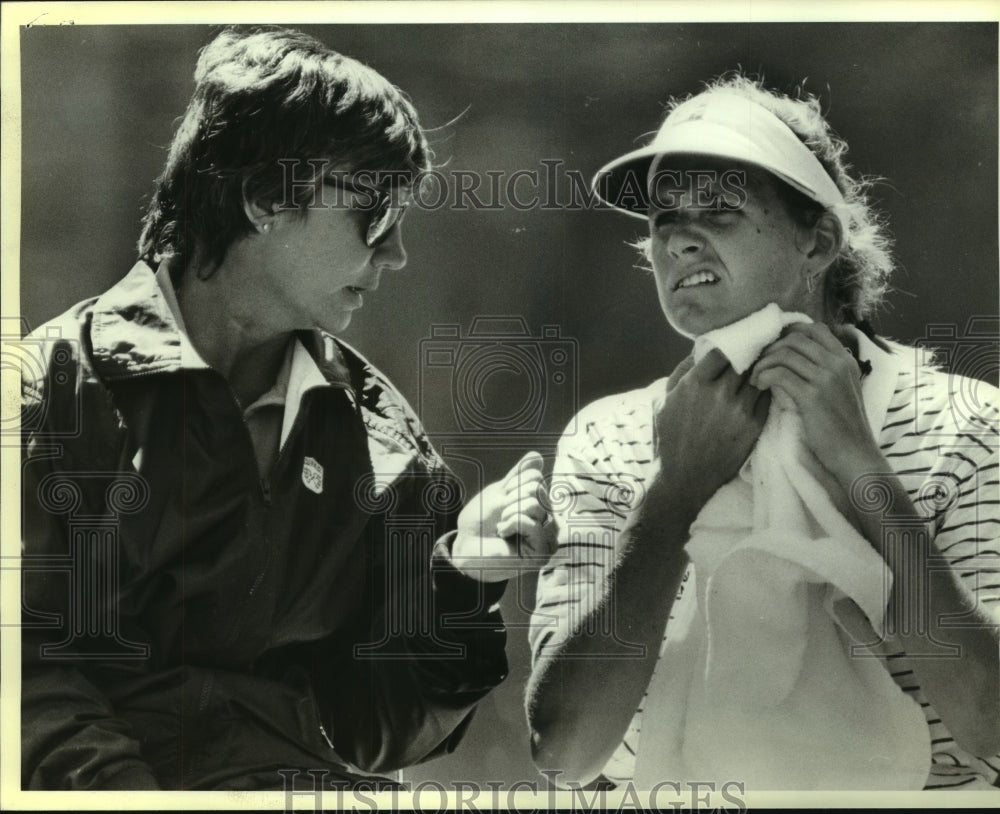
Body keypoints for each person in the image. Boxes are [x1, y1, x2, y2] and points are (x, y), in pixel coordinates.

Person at [20, 26, 554, 791]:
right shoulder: (49, 393)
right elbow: (27, 680)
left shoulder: (386, 444)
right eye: (374, 215)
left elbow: (376, 731)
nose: (396, 254)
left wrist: (462, 577)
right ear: (265, 197)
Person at [526, 74, 1000, 791]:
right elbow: (565, 751)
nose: (677, 238)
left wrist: (861, 471)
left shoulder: (965, 424)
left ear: (819, 242)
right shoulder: (606, 438)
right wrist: (673, 496)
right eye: (662, 217)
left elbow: (992, 722)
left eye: (719, 209)